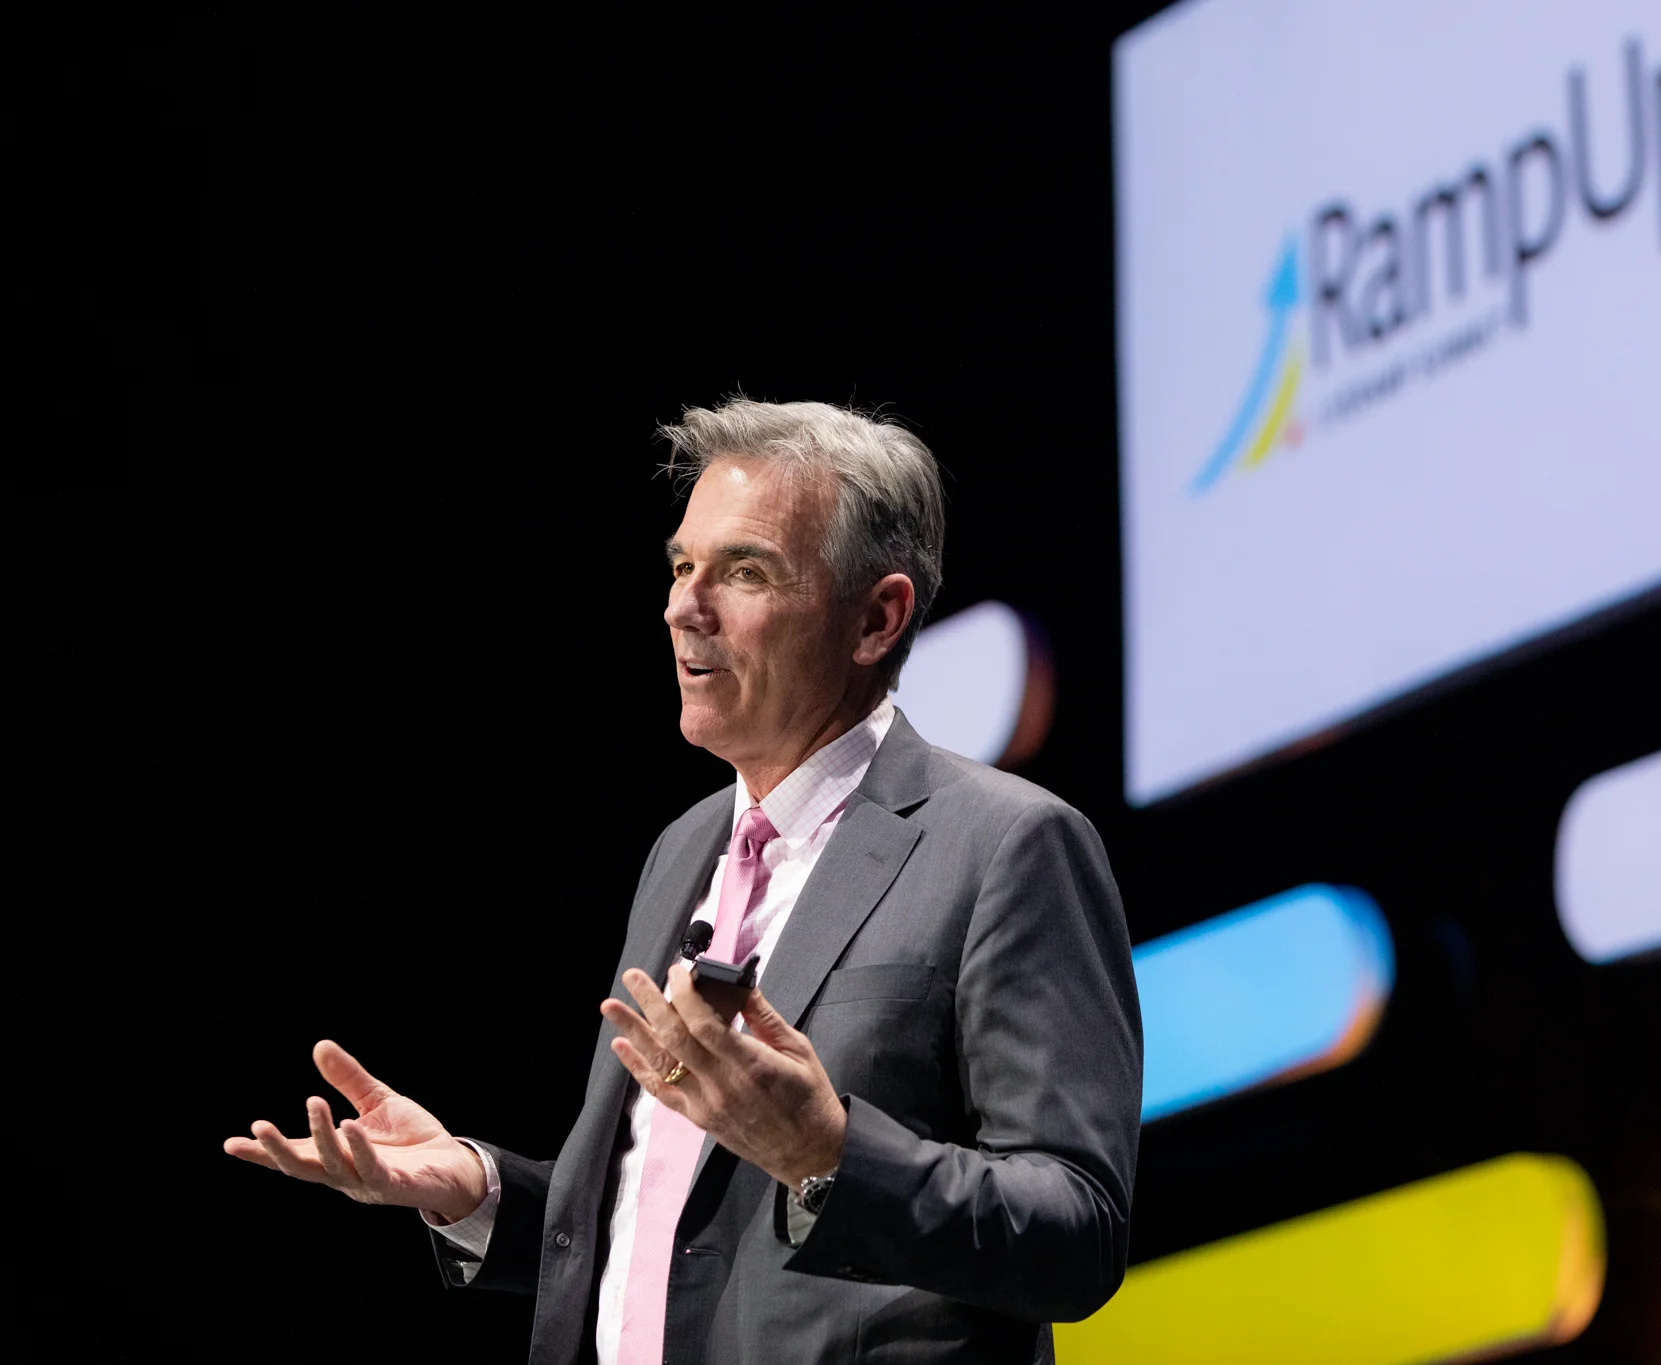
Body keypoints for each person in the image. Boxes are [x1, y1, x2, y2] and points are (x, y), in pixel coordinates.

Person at [223, 400, 1143, 1364]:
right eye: (681, 566)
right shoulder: (684, 849)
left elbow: (1075, 1230)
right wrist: (477, 1186)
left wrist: (829, 1155)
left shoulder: (1006, 845)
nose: (682, 608)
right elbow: (675, 1235)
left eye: (744, 571)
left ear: (877, 618)